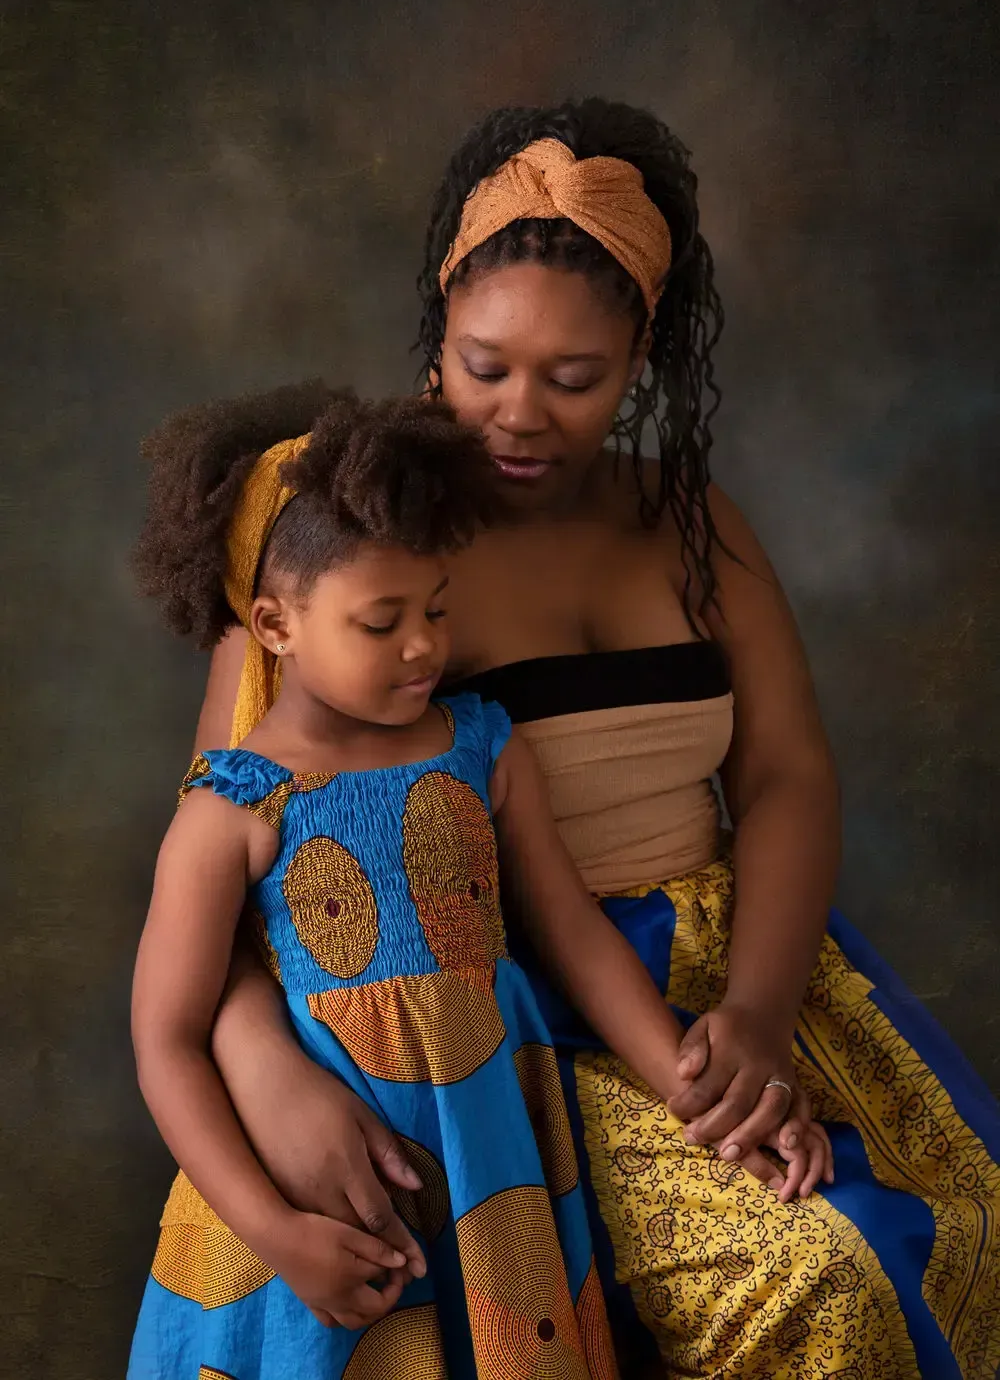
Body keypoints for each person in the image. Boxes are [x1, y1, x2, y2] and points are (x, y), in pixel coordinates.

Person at [193, 104, 1000, 1378]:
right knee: (817, 1281)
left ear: (641, 364)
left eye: (576, 382)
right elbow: (224, 859)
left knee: (971, 1229)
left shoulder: (692, 524)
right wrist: (261, 1070)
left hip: (721, 980)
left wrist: (757, 1008)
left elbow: (785, 775)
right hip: (497, 1009)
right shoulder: (349, 536)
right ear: (437, 327)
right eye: (482, 365)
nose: (519, 414)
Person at [127, 388, 829, 1379]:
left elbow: (575, 937)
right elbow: (166, 1041)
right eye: (382, 623)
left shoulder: (482, 746)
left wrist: (707, 1105)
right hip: (305, 1203)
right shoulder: (228, 813)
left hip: (488, 1169)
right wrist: (276, 1231)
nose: (424, 646)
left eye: (438, 608)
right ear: (275, 625)